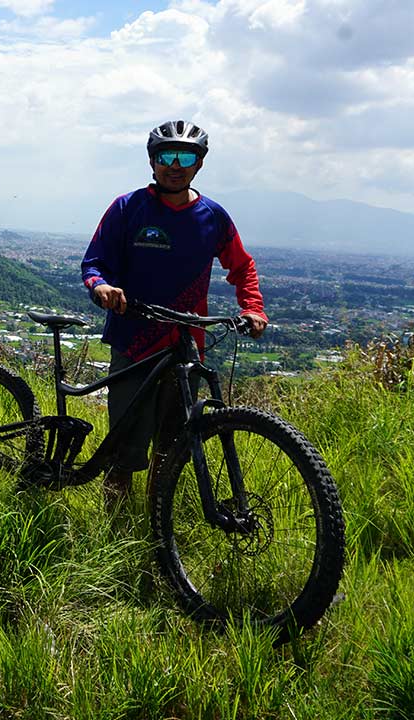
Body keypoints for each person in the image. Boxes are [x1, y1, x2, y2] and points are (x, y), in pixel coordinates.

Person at [80, 120, 268, 509]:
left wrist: (252, 307)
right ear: (152, 161)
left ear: (199, 163)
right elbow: (95, 262)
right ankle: (113, 527)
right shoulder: (128, 208)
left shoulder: (212, 217)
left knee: (174, 441)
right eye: (166, 156)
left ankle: (158, 527)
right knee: (125, 442)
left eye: (186, 156)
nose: (175, 165)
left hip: (185, 344)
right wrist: (101, 286)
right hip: (134, 340)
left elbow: (242, 266)